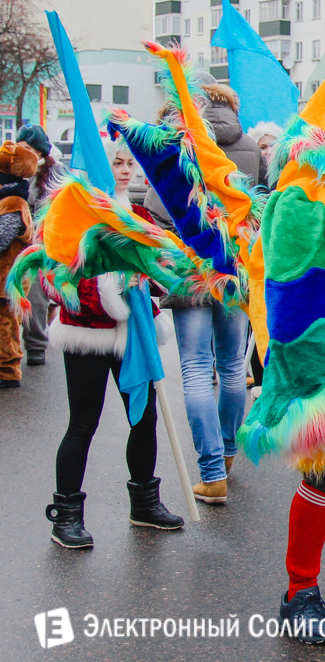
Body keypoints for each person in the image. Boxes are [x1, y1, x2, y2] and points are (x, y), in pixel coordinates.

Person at [44, 137, 182, 549]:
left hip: (133, 335)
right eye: (116, 163)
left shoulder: (136, 215)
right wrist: (106, 287)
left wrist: (148, 279)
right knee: (83, 422)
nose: (125, 170)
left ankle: (144, 503)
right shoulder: (71, 215)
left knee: (145, 419)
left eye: (128, 163)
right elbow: (55, 281)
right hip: (87, 335)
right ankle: (65, 514)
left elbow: (161, 269)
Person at [145, 88, 259, 505]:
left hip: (190, 265)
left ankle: (211, 472)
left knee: (195, 367)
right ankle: (228, 452)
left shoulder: (175, 140)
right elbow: (257, 200)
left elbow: (157, 209)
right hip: (235, 262)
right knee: (231, 366)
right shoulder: (248, 145)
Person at [15, 124, 62, 366]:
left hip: (41, 246)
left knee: (35, 298)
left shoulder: (54, 174)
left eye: (31, 150)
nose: (26, 154)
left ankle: (36, 346)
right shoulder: (11, 171)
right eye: (22, 149)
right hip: (12, 242)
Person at [0, 141, 37, 390]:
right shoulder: (11, 199)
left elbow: (1, 238)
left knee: (6, 326)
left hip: (7, 281)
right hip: (6, 279)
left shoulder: (14, 202)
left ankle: (9, 371)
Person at [247, 120, 283, 187]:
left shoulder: (287, 172)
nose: (269, 152)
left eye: (273, 146)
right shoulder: (250, 175)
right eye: (263, 148)